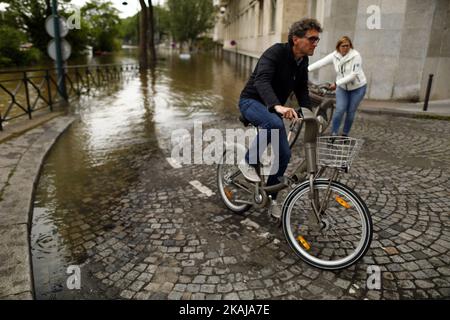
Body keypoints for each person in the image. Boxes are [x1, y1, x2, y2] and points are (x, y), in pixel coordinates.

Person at [237, 18, 322, 218]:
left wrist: (310, 114)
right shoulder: (275, 52)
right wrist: (277, 106)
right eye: (311, 39)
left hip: (272, 109)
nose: (315, 43)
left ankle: (272, 199)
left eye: (317, 40)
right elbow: (262, 80)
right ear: (295, 39)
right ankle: (248, 161)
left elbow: (301, 90)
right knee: (273, 121)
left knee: (284, 155)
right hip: (251, 102)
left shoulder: (302, 61)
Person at [308, 36, 367, 137]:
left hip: (358, 88)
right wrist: (305, 69)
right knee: (340, 109)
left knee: (350, 111)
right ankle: (334, 133)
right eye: (343, 46)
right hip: (342, 88)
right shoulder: (335, 55)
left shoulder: (355, 56)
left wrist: (336, 84)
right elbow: (321, 63)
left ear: (350, 46)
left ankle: (345, 133)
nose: (345, 48)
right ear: (338, 47)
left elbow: (353, 76)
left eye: (347, 46)